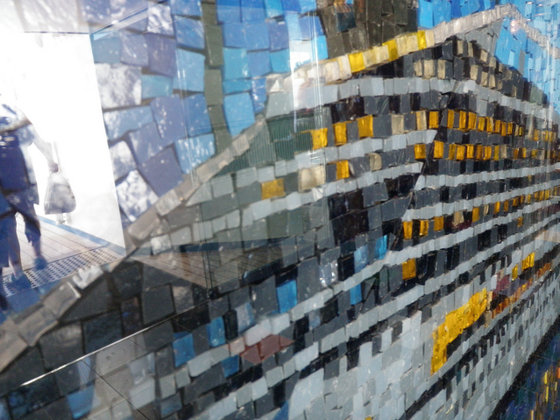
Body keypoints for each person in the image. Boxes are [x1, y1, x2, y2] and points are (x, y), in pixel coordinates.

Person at [0, 102, 58, 304]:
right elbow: (37, 139)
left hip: (4, 187)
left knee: (9, 228)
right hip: (23, 179)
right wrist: (50, 160)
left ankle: (18, 274)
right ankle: (38, 256)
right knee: (30, 217)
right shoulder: (14, 112)